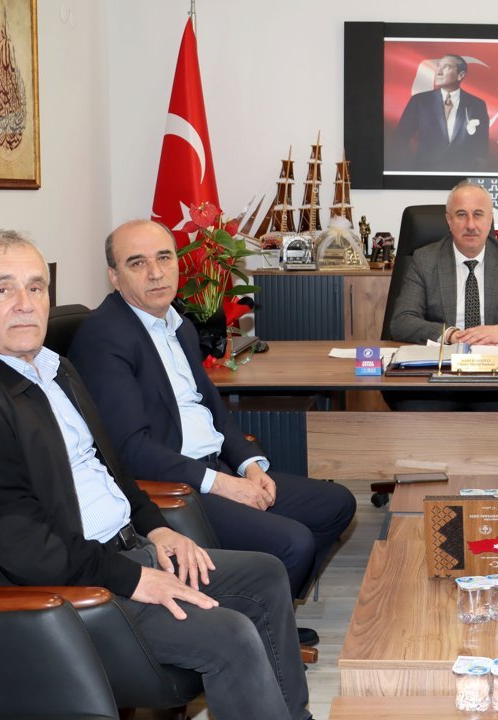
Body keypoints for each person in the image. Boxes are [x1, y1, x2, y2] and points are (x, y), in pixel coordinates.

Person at [0, 230, 311, 719]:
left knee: (264, 575)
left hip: (123, 552)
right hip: (63, 596)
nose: (25, 303)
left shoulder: (55, 370)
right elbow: (29, 552)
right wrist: (136, 578)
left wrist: (158, 529)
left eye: (36, 287)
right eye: (3, 289)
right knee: (229, 634)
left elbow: (114, 469)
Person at [68, 219, 356, 649]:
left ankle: (265, 613)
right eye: (137, 263)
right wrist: (224, 485)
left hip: (215, 467)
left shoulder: (177, 324)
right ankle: (253, 628)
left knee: (336, 503)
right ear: (114, 276)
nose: (155, 273)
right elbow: (131, 450)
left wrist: (250, 465)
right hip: (173, 487)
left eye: (164, 258)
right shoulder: (105, 337)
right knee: (293, 543)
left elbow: (214, 409)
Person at [386, 181, 498, 411]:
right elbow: (401, 321)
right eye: (461, 215)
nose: (471, 225)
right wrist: (451, 335)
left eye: (478, 214)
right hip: (439, 373)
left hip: (495, 376)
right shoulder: (425, 259)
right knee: (417, 422)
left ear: (490, 220)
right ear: (449, 220)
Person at [393, 54, 490, 171]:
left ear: (461, 75)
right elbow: (401, 136)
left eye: (447, 67)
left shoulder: (477, 104)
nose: (438, 72)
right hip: (425, 171)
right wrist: (409, 166)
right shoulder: (419, 101)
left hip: (462, 173)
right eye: (438, 66)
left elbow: (481, 146)